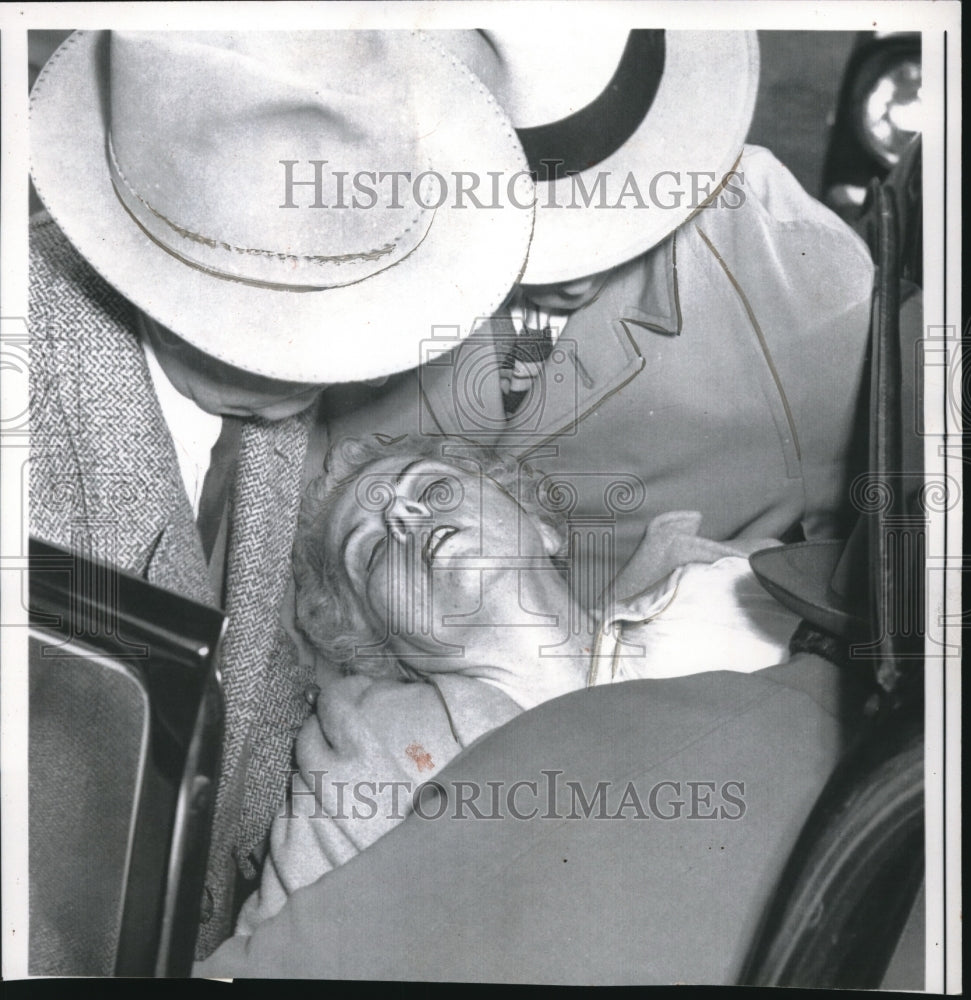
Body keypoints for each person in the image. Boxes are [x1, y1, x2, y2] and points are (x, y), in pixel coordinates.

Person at [27, 29, 534, 957]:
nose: (318, 359)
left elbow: (253, 691)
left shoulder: (271, 356)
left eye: (337, 306)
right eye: (263, 319)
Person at [315, 29, 875, 594]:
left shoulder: (784, 263)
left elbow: (860, 563)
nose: (577, 268)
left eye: (605, 202)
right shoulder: (350, 223)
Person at [233, 437, 803, 931]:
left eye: (433, 491)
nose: (406, 521)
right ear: (380, 648)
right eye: (375, 549)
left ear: (540, 524)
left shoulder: (736, 597)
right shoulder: (367, 755)